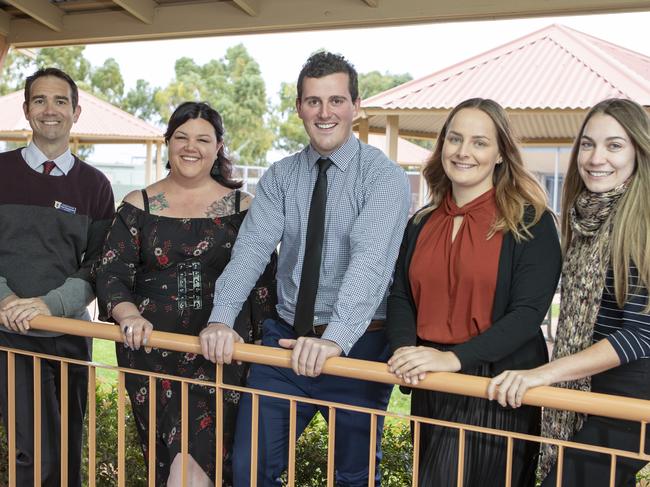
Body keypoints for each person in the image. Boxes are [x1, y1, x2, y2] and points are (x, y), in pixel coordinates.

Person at [202, 51, 410, 486]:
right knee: (249, 470)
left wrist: (335, 339)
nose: (324, 112)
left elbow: (370, 262)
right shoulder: (280, 176)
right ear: (299, 107)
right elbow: (252, 249)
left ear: (355, 106)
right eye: (313, 101)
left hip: (360, 346)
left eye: (336, 100)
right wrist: (221, 318)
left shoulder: (383, 177)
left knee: (353, 478)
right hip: (283, 344)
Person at [96, 101, 277, 487]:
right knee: (167, 455)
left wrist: (262, 350)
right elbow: (111, 272)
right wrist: (128, 315)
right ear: (168, 142)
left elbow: (264, 283)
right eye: (181, 137)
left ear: (218, 147)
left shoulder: (245, 208)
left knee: (206, 450)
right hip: (150, 351)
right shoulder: (137, 205)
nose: (190, 147)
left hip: (223, 353)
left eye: (202, 138)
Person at [386, 98, 561, 486]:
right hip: (433, 382)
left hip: (497, 387)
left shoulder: (531, 221)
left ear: (500, 154)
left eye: (480, 142)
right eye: (455, 139)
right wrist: (403, 350)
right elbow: (400, 294)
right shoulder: (421, 222)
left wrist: (454, 359)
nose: (463, 152)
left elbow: (528, 315)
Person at [488, 98, 650, 487]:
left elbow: (641, 334)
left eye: (614, 145)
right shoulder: (586, 218)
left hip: (630, 399)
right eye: (588, 144)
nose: (596, 158)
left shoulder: (642, 220)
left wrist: (541, 375)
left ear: (638, 152)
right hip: (589, 388)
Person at [0, 67, 115, 487]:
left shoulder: (96, 186)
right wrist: (8, 303)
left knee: (69, 451)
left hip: (68, 331)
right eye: (40, 100)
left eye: (61, 101)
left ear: (76, 111)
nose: (51, 110)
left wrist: (51, 305)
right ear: (27, 110)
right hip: (9, 334)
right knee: (35, 456)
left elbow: (100, 262)